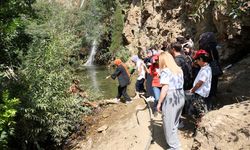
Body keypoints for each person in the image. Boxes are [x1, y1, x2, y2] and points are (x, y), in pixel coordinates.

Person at [157, 52, 185, 150]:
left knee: (168, 123)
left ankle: (175, 147)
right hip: (180, 95)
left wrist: (159, 103)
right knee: (175, 122)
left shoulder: (166, 71)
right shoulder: (179, 70)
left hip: (171, 97)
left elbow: (165, 88)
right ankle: (175, 142)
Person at [189, 50, 212, 136]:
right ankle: (198, 130)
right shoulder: (206, 68)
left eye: (197, 60)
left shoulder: (205, 70)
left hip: (200, 94)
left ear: (201, 59)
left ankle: (198, 132)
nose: (197, 62)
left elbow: (200, 83)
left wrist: (193, 90)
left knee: (200, 113)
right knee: (200, 113)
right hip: (201, 93)